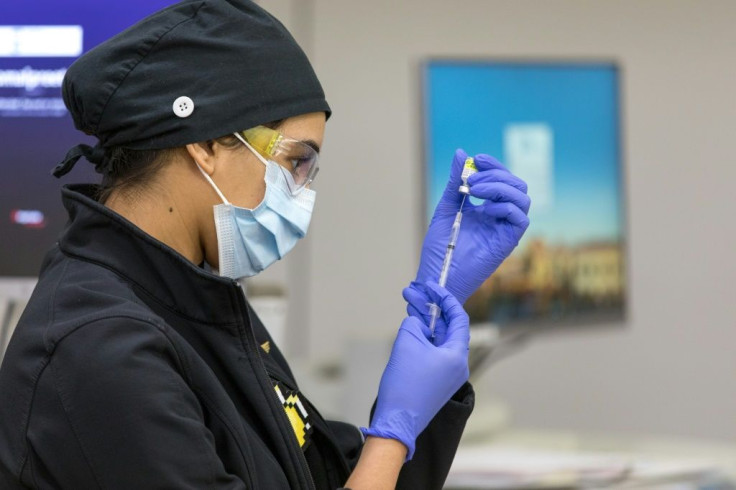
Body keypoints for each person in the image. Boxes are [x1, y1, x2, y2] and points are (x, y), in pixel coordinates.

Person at [0, 1, 530, 489]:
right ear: (207, 142)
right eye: (298, 162)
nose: (304, 192)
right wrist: (392, 434)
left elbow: (317, 475)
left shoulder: (192, 299)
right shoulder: (100, 348)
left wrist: (437, 310)